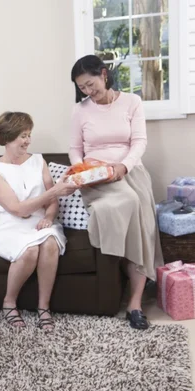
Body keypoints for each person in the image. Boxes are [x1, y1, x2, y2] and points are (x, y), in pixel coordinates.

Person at [70, 55, 163, 330]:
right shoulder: (80, 110)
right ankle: (128, 282)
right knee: (123, 204)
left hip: (129, 172)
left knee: (137, 208)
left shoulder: (132, 102)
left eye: (90, 84)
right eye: (82, 88)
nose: (88, 91)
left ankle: (134, 303)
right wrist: (81, 168)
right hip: (95, 179)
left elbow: (139, 141)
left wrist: (123, 166)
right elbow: (75, 148)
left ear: (103, 74)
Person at [0, 112, 77, 330]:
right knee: (29, 250)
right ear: (7, 138)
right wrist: (54, 190)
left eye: (29, 135)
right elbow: (16, 209)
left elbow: (52, 201)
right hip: (10, 224)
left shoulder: (38, 161)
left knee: (49, 243)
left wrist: (48, 217)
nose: (28, 140)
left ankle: (43, 307)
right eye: (22, 136)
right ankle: (9, 301)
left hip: (39, 221)